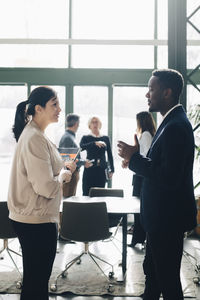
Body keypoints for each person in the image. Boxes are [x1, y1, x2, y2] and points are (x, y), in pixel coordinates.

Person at [117, 69, 197, 300]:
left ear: (167, 92)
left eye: (151, 89)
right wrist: (136, 160)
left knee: (168, 281)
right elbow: (160, 166)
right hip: (160, 219)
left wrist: (134, 159)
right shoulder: (170, 121)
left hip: (166, 219)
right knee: (153, 275)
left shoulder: (175, 126)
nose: (147, 94)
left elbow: (169, 176)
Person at [7, 86, 76, 300]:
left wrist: (62, 167)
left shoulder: (36, 135)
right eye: (54, 104)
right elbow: (45, 187)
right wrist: (65, 173)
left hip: (35, 218)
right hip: (36, 221)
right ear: (38, 108)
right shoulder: (34, 137)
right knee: (37, 283)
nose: (59, 109)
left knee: (35, 281)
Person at [126, 111, 156, 247]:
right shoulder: (150, 134)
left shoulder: (145, 135)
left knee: (138, 209)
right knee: (140, 208)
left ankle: (138, 239)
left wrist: (131, 157)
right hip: (142, 175)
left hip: (141, 176)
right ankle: (138, 238)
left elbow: (144, 156)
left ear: (141, 122)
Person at [59, 113, 92, 198]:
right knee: (67, 201)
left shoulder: (70, 137)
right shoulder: (67, 138)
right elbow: (67, 160)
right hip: (70, 175)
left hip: (72, 174)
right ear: (76, 124)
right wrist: (83, 162)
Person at [80, 116, 114, 196]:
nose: (95, 124)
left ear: (100, 124)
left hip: (101, 169)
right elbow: (81, 147)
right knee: (87, 193)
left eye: (96, 122)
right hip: (89, 169)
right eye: (93, 122)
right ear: (89, 125)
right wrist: (94, 143)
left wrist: (112, 169)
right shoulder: (86, 137)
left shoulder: (105, 138)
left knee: (100, 194)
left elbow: (109, 154)